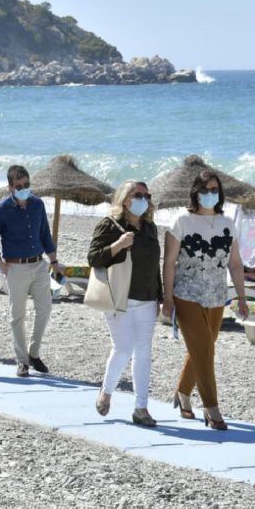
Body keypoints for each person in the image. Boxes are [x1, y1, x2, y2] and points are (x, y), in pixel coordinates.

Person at [162, 166, 248, 430]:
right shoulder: (182, 222)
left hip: (216, 297)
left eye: (214, 190)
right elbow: (169, 264)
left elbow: (235, 263)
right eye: (205, 190)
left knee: (201, 349)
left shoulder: (227, 223)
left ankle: (183, 393)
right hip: (186, 295)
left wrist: (241, 296)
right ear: (195, 193)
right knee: (205, 351)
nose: (210, 194)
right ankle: (212, 408)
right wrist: (167, 299)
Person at [87, 180, 162, 427]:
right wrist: (118, 244)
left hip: (147, 298)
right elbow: (93, 257)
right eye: (137, 194)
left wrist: (160, 297)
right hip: (118, 297)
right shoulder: (109, 225)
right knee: (122, 348)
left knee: (144, 352)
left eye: (146, 195)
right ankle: (106, 391)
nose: (143, 199)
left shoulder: (150, 227)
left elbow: (154, 266)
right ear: (124, 199)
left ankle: (141, 408)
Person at [0, 164, 63, 378]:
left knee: (45, 309)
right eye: (19, 186)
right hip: (15, 267)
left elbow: (45, 234)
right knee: (17, 315)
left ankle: (34, 353)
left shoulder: (37, 205)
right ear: (10, 187)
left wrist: (54, 261)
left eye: (27, 184)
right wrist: (1, 265)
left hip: (39, 264)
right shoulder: (1, 209)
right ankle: (22, 361)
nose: (24, 188)